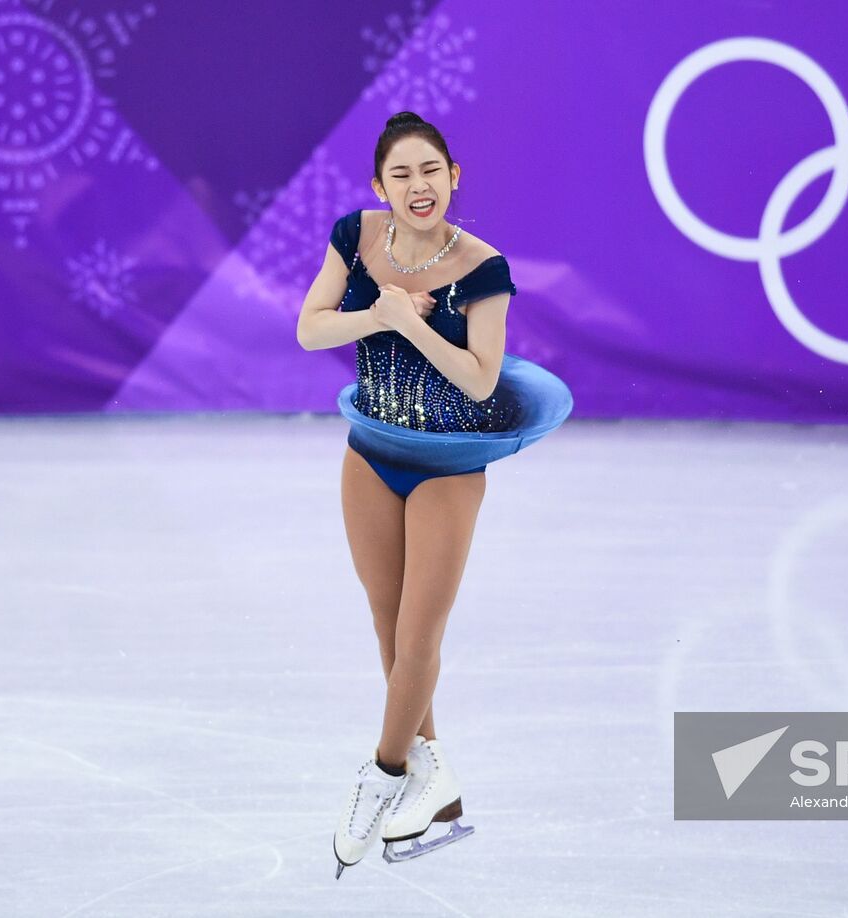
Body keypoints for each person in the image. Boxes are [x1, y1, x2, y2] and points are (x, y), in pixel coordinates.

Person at [296, 111, 569, 877]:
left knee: (419, 639)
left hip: (449, 464)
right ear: (380, 186)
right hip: (371, 453)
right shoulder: (355, 235)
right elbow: (311, 330)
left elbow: (481, 378)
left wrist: (409, 327)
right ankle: (438, 793)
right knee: (388, 628)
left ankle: (382, 777)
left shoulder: (485, 268)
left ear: (455, 177)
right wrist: (374, 312)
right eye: (401, 175)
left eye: (431, 171)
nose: (418, 187)